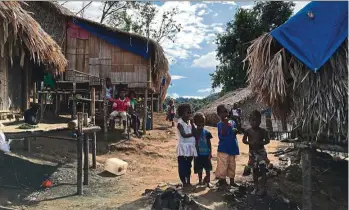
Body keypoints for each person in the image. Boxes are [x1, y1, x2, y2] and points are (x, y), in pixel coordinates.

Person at [242, 110, 270, 195]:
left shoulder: (263, 131)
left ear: (260, 121)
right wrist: (250, 143)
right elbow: (243, 140)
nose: (254, 122)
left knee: (263, 170)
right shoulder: (248, 131)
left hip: (261, 153)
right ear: (249, 120)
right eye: (252, 120)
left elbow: (267, 141)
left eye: (256, 120)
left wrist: (260, 143)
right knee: (254, 170)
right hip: (252, 153)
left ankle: (263, 187)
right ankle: (256, 187)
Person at [215, 104, 240, 187]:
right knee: (223, 165)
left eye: (226, 111)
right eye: (223, 112)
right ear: (219, 114)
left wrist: (236, 130)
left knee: (232, 165)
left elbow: (236, 132)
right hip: (223, 149)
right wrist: (226, 124)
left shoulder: (232, 122)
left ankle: (232, 181)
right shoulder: (219, 124)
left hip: (232, 148)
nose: (225, 114)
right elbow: (222, 134)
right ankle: (223, 181)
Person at [176, 103, 197, 187]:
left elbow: (195, 131)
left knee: (188, 165)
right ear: (181, 113)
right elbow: (183, 134)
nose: (189, 114)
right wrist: (193, 134)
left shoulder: (189, 123)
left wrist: (192, 124)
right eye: (187, 113)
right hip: (183, 148)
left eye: (190, 112)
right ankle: (184, 182)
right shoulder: (180, 123)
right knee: (182, 165)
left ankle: (188, 181)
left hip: (190, 147)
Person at [193, 112, 213, 187]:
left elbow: (209, 143)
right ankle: (200, 181)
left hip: (206, 154)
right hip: (198, 154)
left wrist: (210, 152)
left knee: (208, 169)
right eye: (199, 124)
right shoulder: (194, 133)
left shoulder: (207, 133)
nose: (201, 125)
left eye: (203, 124)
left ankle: (208, 182)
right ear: (195, 123)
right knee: (199, 169)